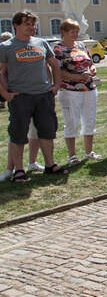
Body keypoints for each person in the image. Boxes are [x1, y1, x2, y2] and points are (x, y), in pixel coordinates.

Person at [0, 10, 66, 183]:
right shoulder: (6, 47)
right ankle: (19, 170)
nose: (32, 27)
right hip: (20, 96)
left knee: (47, 131)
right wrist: (5, 94)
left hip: (43, 95)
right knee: (18, 134)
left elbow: (54, 65)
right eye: (27, 24)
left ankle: (50, 165)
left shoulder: (42, 43)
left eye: (33, 24)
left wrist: (56, 85)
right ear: (16, 25)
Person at [54, 19, 101, 165]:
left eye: (76, 31)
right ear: (63, 33)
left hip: (89, 88)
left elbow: (90, 64)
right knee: (71, 121)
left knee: (89, 119)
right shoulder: (58, 49)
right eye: (72, 32)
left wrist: (92, 71)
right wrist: (77, 77)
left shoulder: (81, 45)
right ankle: (72, 155)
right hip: (70, 90)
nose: (75, 34)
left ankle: (89, 152)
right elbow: (58, 71)